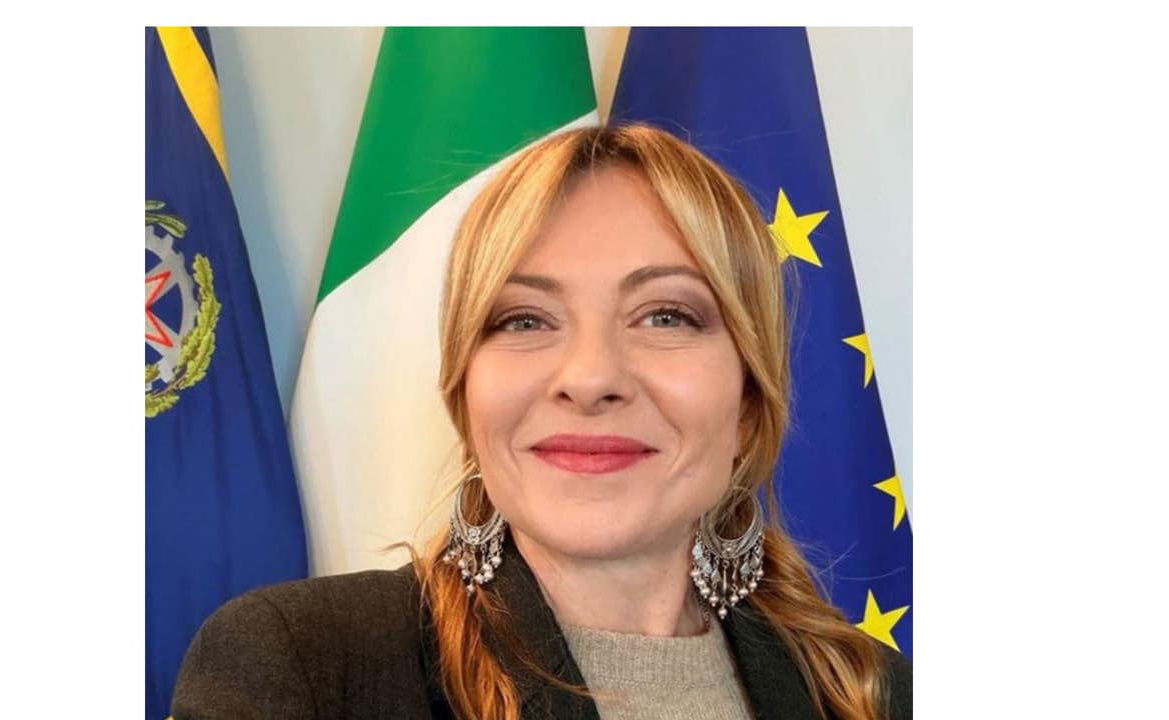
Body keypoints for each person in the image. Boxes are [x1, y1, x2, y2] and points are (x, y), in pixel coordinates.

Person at [170, 123, 912, 720]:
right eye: (524, 319)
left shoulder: (877, 693)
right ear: (466, 396)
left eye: (665, 315)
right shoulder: (303, 666)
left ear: (749, 402)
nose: (590, 379)